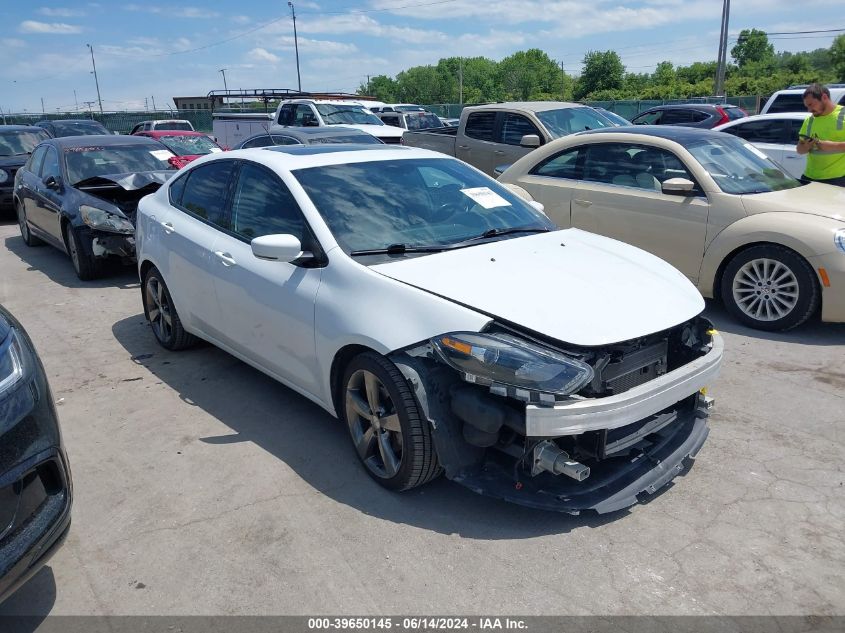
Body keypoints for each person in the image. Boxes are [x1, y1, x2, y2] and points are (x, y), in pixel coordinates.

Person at [796, 83, 845, 187]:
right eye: (806, 106)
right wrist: (805, 147)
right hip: (809, 177)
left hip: (837, 180)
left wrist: (832, 146)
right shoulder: (809, 120)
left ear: (824, 97)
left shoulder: (843, 114)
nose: (809, 110)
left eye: (811, 105)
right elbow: (799, 150)